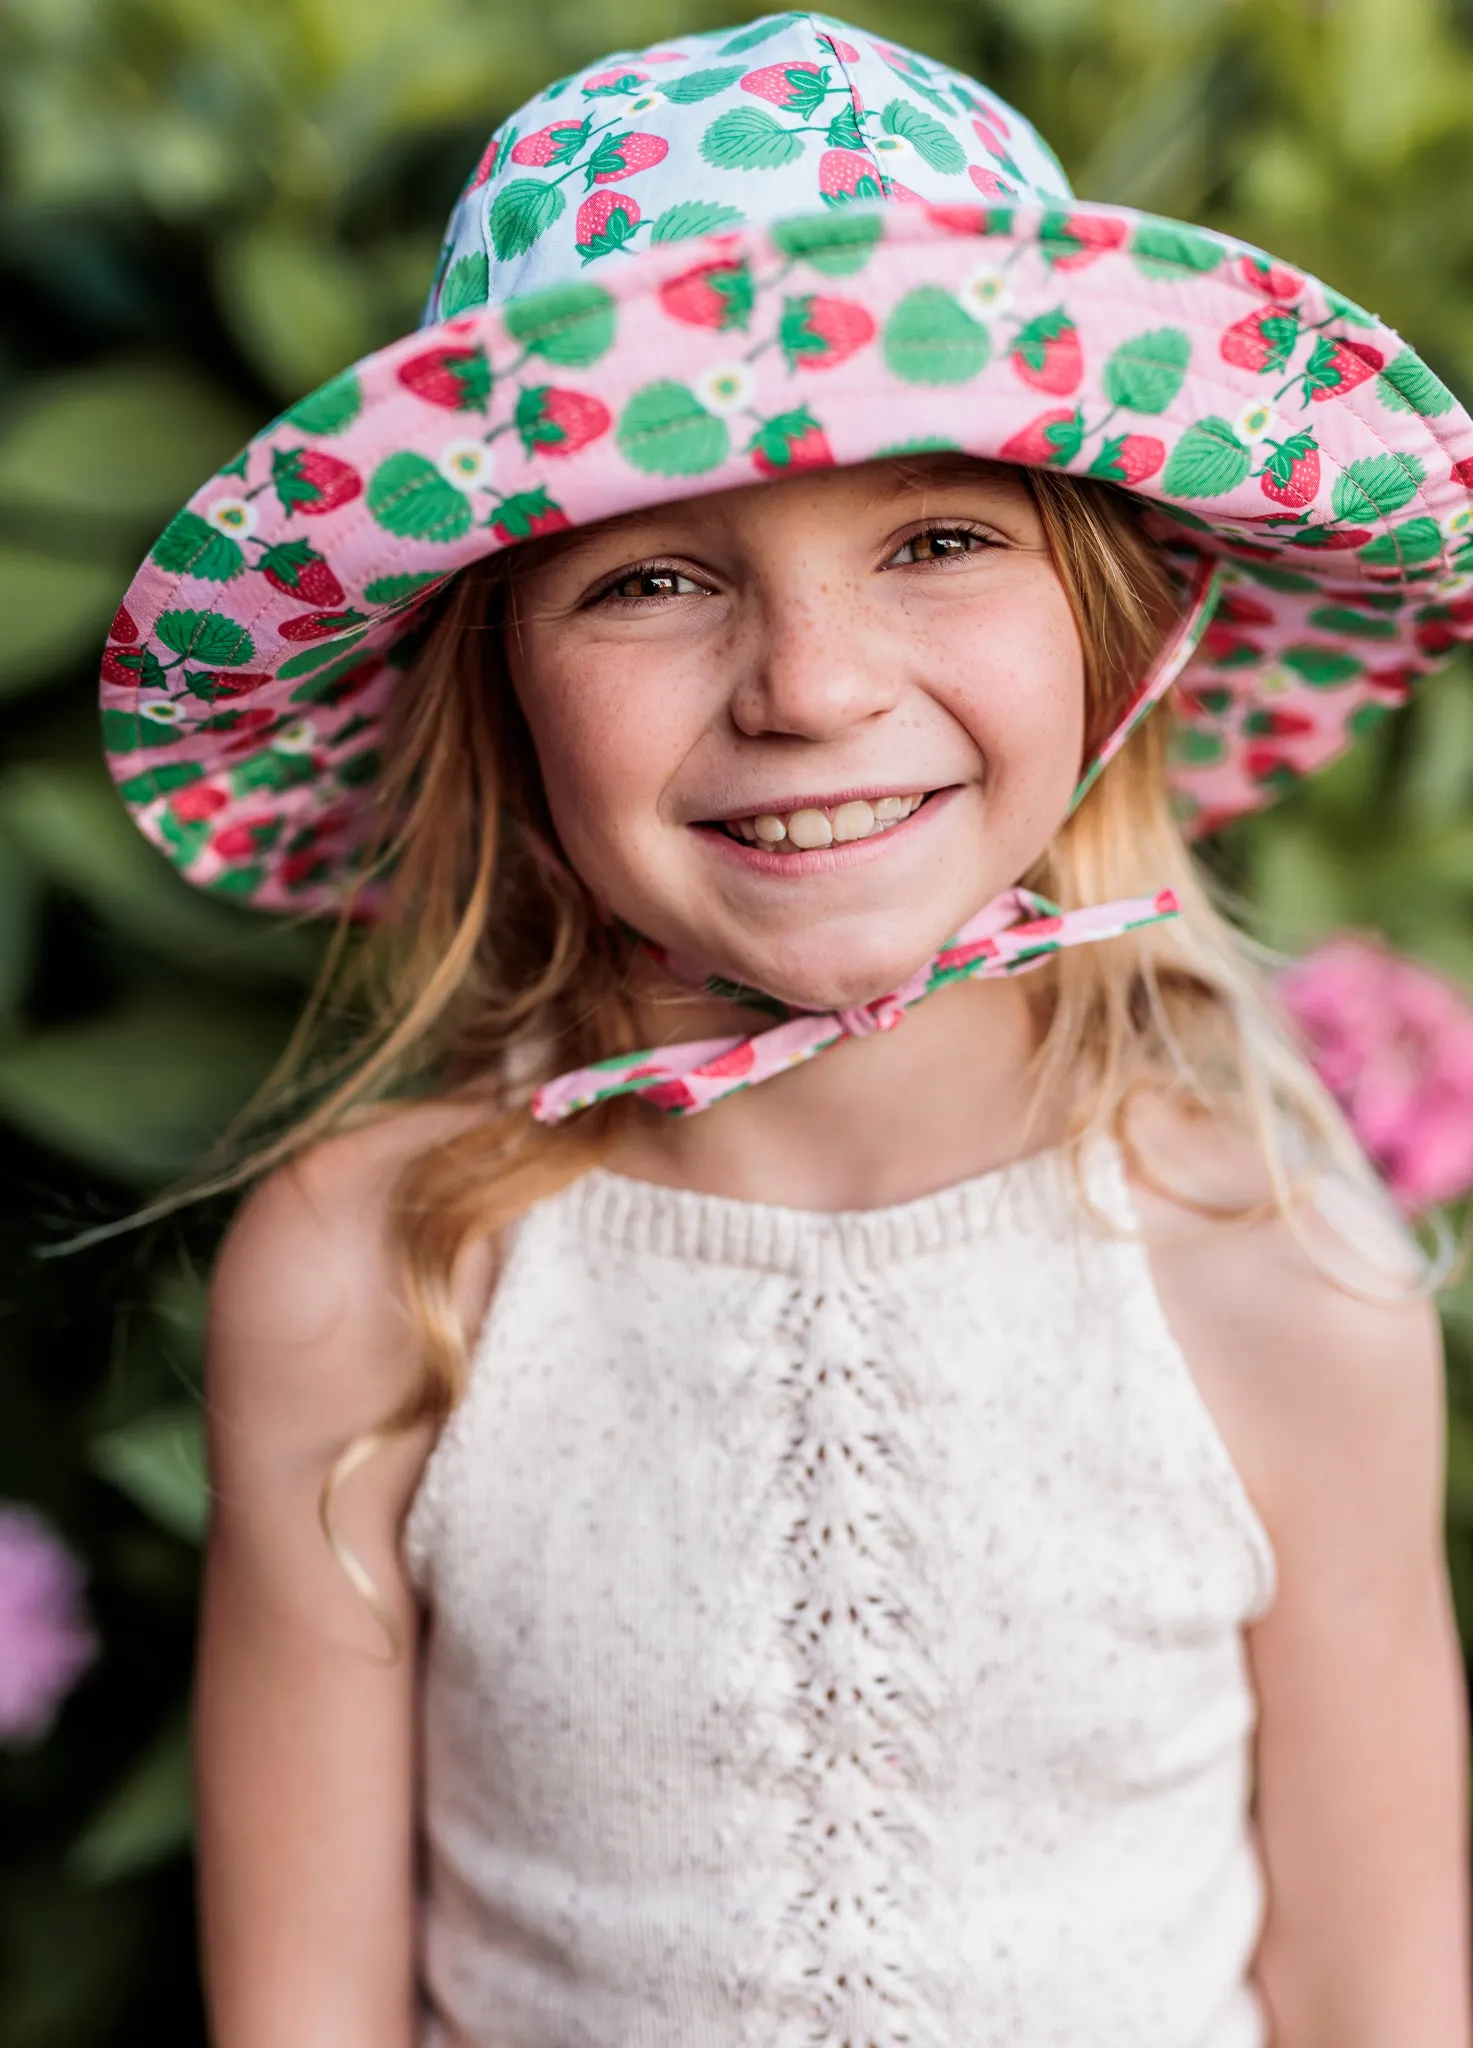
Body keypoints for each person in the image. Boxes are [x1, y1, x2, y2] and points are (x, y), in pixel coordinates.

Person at [98, 15, 1473, 2045]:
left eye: (935, 539)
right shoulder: (374, 1279)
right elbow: (302, 2011)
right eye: (651, 577)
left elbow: (1376, 1993)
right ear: (499, 696)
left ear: (1109, 619)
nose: (810, 688)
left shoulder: (1273, 1266)